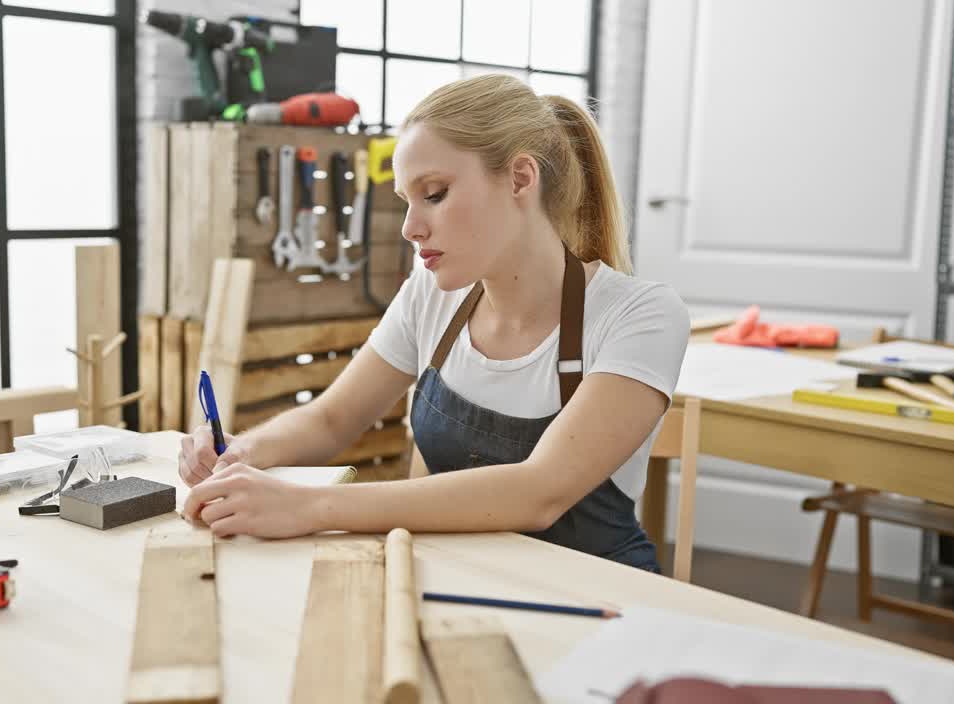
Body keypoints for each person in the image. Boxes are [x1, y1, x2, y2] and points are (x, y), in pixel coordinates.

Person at [178, 74, 689, 572]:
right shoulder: (432, 296)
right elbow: (331, 420)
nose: (410, 227)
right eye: (407, 201)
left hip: (599, 596)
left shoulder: (640, 315)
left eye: (435, 193)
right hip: (456, 578)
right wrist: (240, 452)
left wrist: (310, 506)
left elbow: (540, 491)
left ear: (520, 178)